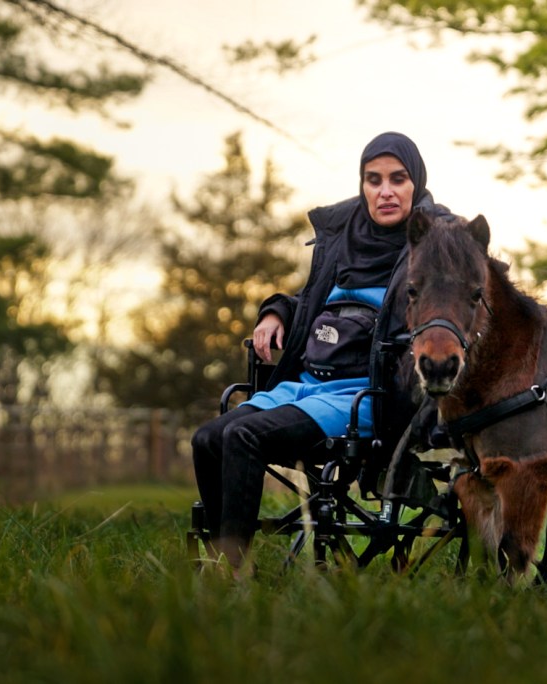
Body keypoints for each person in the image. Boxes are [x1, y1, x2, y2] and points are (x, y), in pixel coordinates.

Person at [191, 131, 451, 573]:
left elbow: (449, 315)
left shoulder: (436, 243)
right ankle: (222, 555)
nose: (385, 191)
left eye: (397, 179)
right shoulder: (345, 238)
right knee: (207, 439)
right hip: (308, 383)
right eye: (373, 180)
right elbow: (311, 300)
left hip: (366, 396)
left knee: (244, 436)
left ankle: (231, 570)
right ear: (362, 185)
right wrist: (275, 312)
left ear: (417, 183)